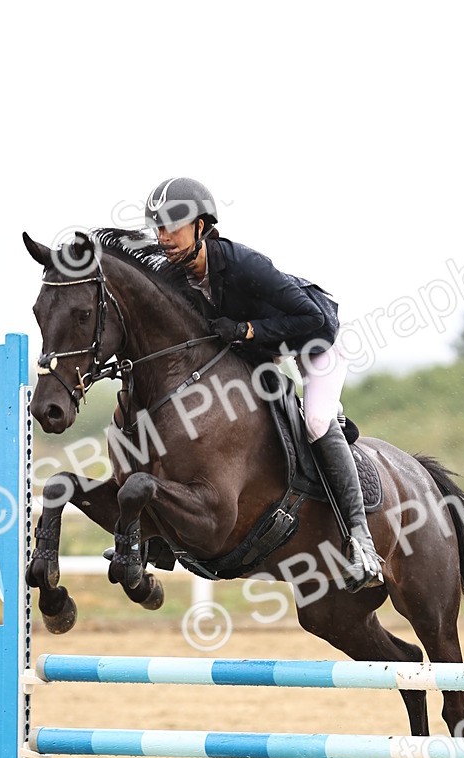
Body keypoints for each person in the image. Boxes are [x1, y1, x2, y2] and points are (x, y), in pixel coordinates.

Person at [143, 176, 384, 592]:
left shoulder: (243, 264)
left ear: (201, 227)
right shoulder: (176, 275)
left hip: (316, 342)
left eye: (172, 226)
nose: (163, 237)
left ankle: (361, 540)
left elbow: (312, 320)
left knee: (316, 420)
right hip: (263, 354)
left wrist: (247, 330)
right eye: (158, 227)